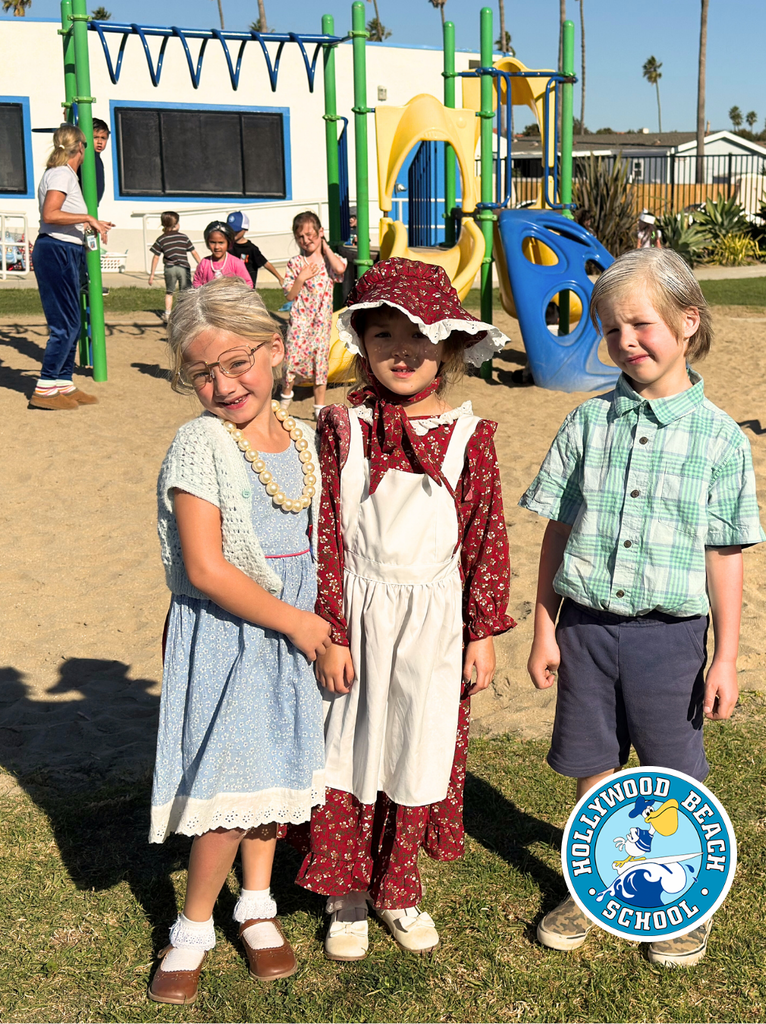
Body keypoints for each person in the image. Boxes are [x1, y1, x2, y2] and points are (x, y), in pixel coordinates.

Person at [520, 247, 766, 967]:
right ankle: (594, 887)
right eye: (610, 329)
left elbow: (725, 555)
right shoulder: (585, 426)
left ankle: (683, 901)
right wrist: (544, 628)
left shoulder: (720, 439)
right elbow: (556, 536)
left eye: (640, 323)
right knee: (594, 772)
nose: (625, 341)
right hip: (586, 633)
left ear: (687, 321)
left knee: (670, 778)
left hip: (671, 640)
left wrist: (724, 656)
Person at [292, 258, 515, 961]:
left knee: (415, 747)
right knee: (348, 746)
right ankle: (345, 892)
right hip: (358, 610)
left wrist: (481, 632)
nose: (401, 350)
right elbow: (322, 527)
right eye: (384, 332)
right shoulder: (342, 427)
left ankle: (397, 887)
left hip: (434, 621)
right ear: (362, 340)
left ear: (448, 346)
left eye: (419, 336)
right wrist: (330, 628)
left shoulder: (468, 436)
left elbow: (486, 535)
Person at [149, 277, 330, 1005]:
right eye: (202, 373)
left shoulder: (307, 438)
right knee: (229, 782)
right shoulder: (199, 444)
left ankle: (256, 905)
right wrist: (300, 624)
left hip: (296, 635)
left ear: (277, 350)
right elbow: (205, 566)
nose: (224, 385)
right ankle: (191, 927)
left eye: (238, 362)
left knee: (273, 775)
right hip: (237, 634)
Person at [30, 124, 114, 411]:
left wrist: (90, 224)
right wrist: (89, 217)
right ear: (80, 147)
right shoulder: (61, 174)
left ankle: (63, 383)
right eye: (90, 143)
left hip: (66, 249)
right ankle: (44, 388)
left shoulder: (65, 175)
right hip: (56, 251)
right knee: (64, 325)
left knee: (74, 323)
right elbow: (50, 214)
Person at [280, 211, 347, 419]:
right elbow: (290, 294)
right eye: (300, 236)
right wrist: (301, 277)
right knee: (291, 359)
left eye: (310, 234)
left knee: (320, 363)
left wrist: (325, 247)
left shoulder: (329, 261)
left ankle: (319, 408)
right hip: (300, 321)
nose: (306, 240)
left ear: (320, 232)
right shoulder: (295, 263)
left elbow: (340, 269)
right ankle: (285, 397)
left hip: (321, 323)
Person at [148, 211, 201, 323]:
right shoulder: (183, 237)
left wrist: (152, 274)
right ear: (176, 225)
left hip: (170, 268)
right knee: (185, 292)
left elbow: (156, 257)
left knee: (169, 292)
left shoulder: (161, 239)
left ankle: (168, 314)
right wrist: (201, 264)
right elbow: (194, 252)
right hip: (183, 268)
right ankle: (184, 314)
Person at [227, 210, 285, 288]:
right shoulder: (227, 245)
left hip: (247, 289)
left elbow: (265, 263)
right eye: (231, 230)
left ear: (245, 229)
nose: (233, 233)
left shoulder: (251, 249)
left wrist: (280, 278)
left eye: (236, 230)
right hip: (230, 287)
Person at [192, 221, 252, 289]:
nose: (217, 247)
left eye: (221, 243)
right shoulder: (204, 263)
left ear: (228, 243)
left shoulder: (236, 263)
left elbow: (247, 284)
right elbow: (196, 282)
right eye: (213, 242)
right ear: (207, 243)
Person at [92, 117, 109, 202]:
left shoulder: (97, 158)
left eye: (103, 138)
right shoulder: (89, 158)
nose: (99, 141)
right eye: (95, 137)